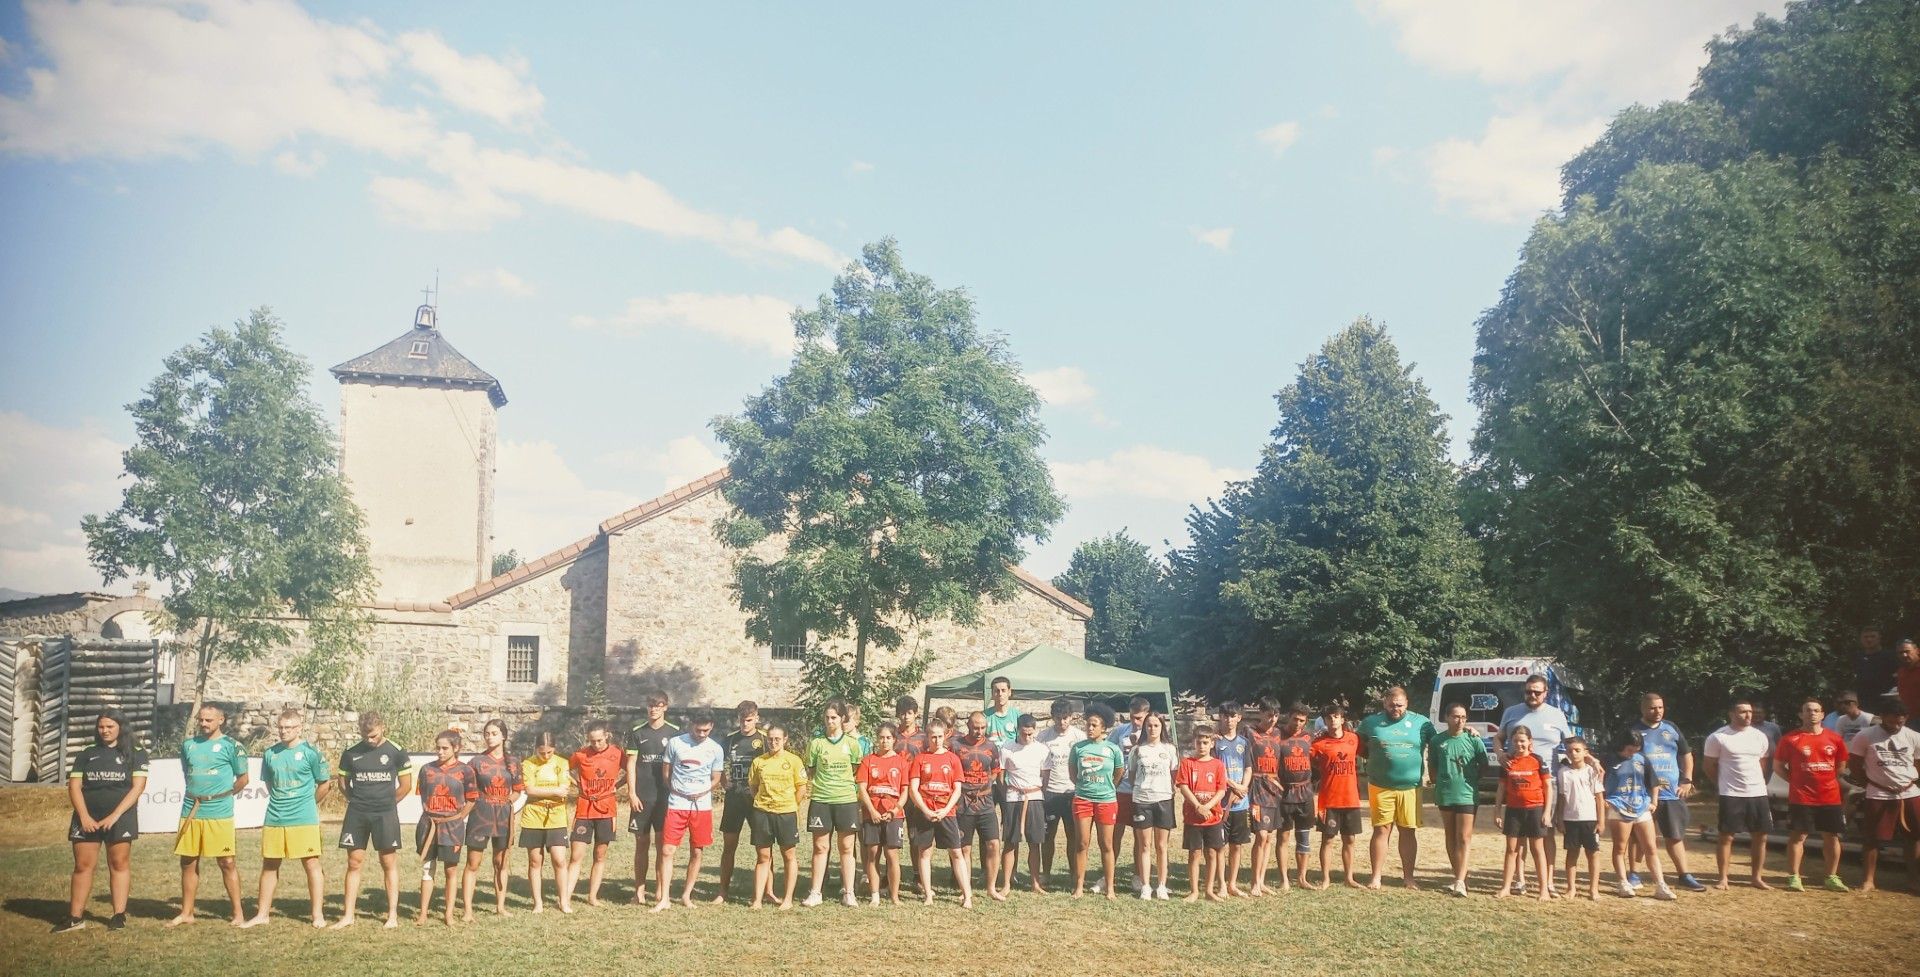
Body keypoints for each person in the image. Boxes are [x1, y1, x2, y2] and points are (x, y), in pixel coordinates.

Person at [59, 709, 148, 933]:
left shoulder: (136, 752)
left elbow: (138, 788)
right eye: (101, 727)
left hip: (120, 818)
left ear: (120, 727)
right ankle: (75, 917)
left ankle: (118, 915)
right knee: (82, 866)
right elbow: (74, 787)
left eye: (110, 726)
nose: (105, 730)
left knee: (118, 865)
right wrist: (85, 816)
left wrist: (115, 815)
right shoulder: (86, 753)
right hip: (87, 818)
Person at [243, 708, 329, 928]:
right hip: (275, 816)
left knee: (311, 863)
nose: (284, 732)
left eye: (289, 728)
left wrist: (307, 804)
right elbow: (270, 784)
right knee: (270, 864)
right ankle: (262, 914)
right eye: (281, 728)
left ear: (299, 728)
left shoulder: (311, 752)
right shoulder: (271, 754)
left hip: (304, 818)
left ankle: (317, 915)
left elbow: (324, 785)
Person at [169, 704, 249, 927]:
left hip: (219, 813)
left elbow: (243, 779)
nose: (204, 724)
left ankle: (238, 914)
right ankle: (187, 913)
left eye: (209, 720)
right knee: (188, 861)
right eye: (201, 720)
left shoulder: (232, 746)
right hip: (191, 810)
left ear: (221, 720)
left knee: (227, 862)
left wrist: (222, 796)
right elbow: (188, 773)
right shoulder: (188, 745)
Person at [333, 711, 412, 929]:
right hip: (357, 814)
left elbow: (406, 786)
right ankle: (348, 915)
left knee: (388, 862)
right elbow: (343, 783)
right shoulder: (350, 753)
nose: (370, 740)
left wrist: (387, 804)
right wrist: (356, 800)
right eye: (365, 736)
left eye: (374, 736)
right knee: (354, 862)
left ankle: (392, 916)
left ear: (383, 728)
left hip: (385, 814)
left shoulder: (396, 752)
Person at [1497, 673, 1572, 892]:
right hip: (1517, 780)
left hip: (1547, 782)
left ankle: (1547, 882)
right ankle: (1519, 879)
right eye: (1529, 691)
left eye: (1537, 692)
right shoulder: (1512, 712)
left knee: (1545, 833)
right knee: (1517, 838)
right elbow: (1499, 737)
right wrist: (1500, 753)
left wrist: (1591, 760)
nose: (1532, 695)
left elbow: (1570, 744)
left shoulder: (1557, 715)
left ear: (1546, 693)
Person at [1357, 686, 1434, 890]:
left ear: (1407, 703)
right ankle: (1375, 877)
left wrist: (1469, 731)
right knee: (1381, 830)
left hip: (1410, 787)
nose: (1395, 709)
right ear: (1384, 703)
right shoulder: (1370, 723)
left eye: (1399, 705)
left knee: (1408, 831)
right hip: (1380, 786)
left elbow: (1438, 743)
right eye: (1391, 705)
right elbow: (1358, 745)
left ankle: (1409, 878)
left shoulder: (1423, 723)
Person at [650, 711, 725, 912]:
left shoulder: (716, 749)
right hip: (677, 804)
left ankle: (686, 895)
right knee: (667, 850)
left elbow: (716, 778)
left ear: (712, 727)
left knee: (697, 851)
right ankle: (664, 898)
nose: (702, 734)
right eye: (698, 730)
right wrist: (675, 790)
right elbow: (666, 772)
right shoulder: (676, 743)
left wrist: (703, 791)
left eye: (706, 730)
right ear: (691, 725)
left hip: (701, 807)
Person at [1630, 692, 1705, 891]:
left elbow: (1686, 754)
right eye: (1653, 708)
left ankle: (1684, 875)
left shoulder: (1671, 728)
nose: (1657, 712)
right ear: (1643, 709)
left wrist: (1687, 780)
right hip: (1643, 794)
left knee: (1675, 836)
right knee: (1639, 837)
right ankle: (1633, 874)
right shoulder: (1633, 730)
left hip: (1671, 793)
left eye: (1661, 707)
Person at [1847, 699, 1920, 892]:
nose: (1898, 723)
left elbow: (1918, 764)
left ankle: (1913, 880)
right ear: (1883, 716)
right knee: (1872, 838)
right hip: (1878, 793)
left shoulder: (1913, 736)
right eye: (1894, 719)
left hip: (1909, 793)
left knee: (1913, 837)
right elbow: (1854, 764)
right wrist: (1868, 783)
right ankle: (1868, 881)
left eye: (1902, 720)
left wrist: (1908, 783)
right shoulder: (1865, 736)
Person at [1777, 697, 1849, 892]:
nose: (1812, 713)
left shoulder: (1835, 738)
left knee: (1832, 836)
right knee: (1798, 836)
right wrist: (1794, 780)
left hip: (1830, 796)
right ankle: (1794, 876)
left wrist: (1827, 780)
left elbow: (1841, 765)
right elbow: (1778, 766)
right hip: (1802, 797)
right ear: (1801, 714)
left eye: (1816, 710)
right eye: (1808, 710)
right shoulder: (1790, 739)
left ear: (1823, 714)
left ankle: (1831, 877)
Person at [1703, 698, 1773, 890]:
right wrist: (1721, 784)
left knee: (1761, 836)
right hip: (1731, 793)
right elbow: (1709, 765)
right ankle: (1723, 878)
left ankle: (1756, 877)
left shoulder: (1760, 736)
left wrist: (1760, 784)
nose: (1748, 715)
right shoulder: (1718, 737)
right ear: (1732, 714)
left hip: (1757, 792)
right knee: (1726, 836)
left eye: (1750, 711)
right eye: (1743, 711)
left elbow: (1763, 764)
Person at [801, 698, 865, 907]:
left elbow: (856, 770)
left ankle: (849, 892)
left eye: (834, 717)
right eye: (827, 717)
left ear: (843, 719)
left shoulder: (853, 745)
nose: (830, 721)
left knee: (847, 847)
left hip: (846, 800)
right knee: (820, 847)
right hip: (821, 800)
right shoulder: (816, 743)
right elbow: (811, 770)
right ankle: (815, 893)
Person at [415, 729, 477, 926]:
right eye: (438, 748)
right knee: (427, 868)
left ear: (456, 748)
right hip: (429, 825)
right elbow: (423, 794)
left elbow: (472, 799)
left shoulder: (466, 771)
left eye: (445, 748)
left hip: (452, 827)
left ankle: (448, 914)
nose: (440, 752)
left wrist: (458, 817)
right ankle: (423, 914)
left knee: (451, 870)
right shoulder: (426, 769)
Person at [461, 718, 521, 921]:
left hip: (503, 815)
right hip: (481, 814)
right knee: (473, 862)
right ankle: (468, 910)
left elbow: (518, 790)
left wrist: (507, 802)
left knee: (501, 862)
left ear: (504, 736)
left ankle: (500, 906)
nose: (489, 737)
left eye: (494, 733)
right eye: (487, 733)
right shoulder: (476, 762)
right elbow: (467, 789)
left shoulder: (513, 762)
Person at [1604, 729, 1674, 900]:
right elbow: (1598, 779)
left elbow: (1654, 782)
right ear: (1622, 745)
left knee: (1650, 848)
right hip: (1619, 806)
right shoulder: (1608, 759)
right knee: (1620, 848)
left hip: (1641, 806)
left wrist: (1654, 802)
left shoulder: (1642, 759)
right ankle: (1623, 882)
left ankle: (1660, 885)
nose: (1632, 753)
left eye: (1636, 749)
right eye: (1629, 749)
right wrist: (1604, 801)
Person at [1429, 702, 1488, 897]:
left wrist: (1471, 780)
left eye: (1463, 717)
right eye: (1455, 716)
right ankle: (1459, 877)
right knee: (1451, 836)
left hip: (1467, 794)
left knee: (1464, 837)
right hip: (1445, 794)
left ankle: (1460, 881)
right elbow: (1433, 767)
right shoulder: (1438, 741)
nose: (1460, 721)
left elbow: (1484, 764)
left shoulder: (1473, 739)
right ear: (1446, 717)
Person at [908, 717, 969, 906]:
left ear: (946, 736)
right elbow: (913, 789)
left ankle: (967, 895)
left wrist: (945, 810)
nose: (936, 740)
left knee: (956, 853)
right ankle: (928, 895)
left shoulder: (953, 759)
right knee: (925, 853)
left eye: (940, 736)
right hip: (925, 812)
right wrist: (925, 809)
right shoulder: (920, 759)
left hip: (947, 813)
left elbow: (957, 789)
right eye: (932, 737)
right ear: (927, 737)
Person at [749, 725, 809, 909]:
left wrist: (790, 804)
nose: (773, 742)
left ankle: (788, 899)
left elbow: (801, 788)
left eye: (777, 739)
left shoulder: (794, 761)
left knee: (788, 855)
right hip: (762, 813)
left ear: (785, 740)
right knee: (763, 856)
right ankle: (758, 899)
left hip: (786, 813)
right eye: (770, 739)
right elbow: (753, 787)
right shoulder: (759, 761)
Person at [625, 690, 677, 904]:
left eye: (659, 704)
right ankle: (639, 891)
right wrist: (631, 793)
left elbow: (678, 764)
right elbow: (630, 765)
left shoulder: (675, 732)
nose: (654, 708)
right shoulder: (637, 731)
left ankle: (660, 890)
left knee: (662, 844)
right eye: (650, 704)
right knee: (641, 843)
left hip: (665, 798)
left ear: (665, 707)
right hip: (642, 797)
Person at [1069, 703, 1125, 899]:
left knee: (1106, 844)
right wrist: (1085, 786)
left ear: (1104, 728)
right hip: (1083, 799)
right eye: (1088, 724)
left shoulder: (1113, 749)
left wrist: (1108, 786)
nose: (1090, 728)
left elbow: (1119, 772)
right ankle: (1079, 886)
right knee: (1082, 843)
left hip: (1106, 801)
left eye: (1094, 725)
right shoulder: (1078, 748)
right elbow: (1073, 774)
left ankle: (1110, 887)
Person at [714, 700, 767, 904]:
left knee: (763, 847)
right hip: (734, 799)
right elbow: (718, 764)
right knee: (729, 846)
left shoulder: (763, 740)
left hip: (757, 800)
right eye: (742, 720)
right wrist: (724, 783)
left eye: (749, 720)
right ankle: (722, 891)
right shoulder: (729, 739)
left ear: (756, 718)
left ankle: (766, 891)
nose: (745, 724)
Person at [567, 720, 625, 907]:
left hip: (607, 809)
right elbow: (563, 769)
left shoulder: (617, 753)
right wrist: (577, 784)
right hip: (584, 808)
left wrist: (618, 785)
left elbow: (632, 768)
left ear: (607, 735)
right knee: (576, 855)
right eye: (592, 741)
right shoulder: (581, 754)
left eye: (599, 740)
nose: (596, 744)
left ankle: (592, 896)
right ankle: (565, 897)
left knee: (600, 854)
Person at [1494, 726, 1554, 901]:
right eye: (1515, 741)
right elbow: (1501, 788)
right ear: (1511, 743)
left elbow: (1548, 786)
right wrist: (1497, 811)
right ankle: (1506, 888)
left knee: (1537, 849)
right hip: (1514, 811)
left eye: (1522, 741)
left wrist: (1547, 811)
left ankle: (1544, 890)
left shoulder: (1537, 760)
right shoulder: (1507, 761)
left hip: (1535, 809)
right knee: (1511, 849)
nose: (1519, 744)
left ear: (1529, 742)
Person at [1309, 703, 1365, 890]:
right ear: (1324, 721)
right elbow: (1307, 761)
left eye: (1336, 716)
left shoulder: (1354, 739)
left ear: (1342, 719)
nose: (1333, 720)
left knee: (1350, 839)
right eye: (1328, 718)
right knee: (1328, 839)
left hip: (1350, 798)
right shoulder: (1318, 744)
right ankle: (1326, 878)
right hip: (1329, 799)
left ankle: (1349, 877)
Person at [1125, 712, 1178, 900]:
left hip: (1163, 800)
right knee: (1144, 845)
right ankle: (1146, 886)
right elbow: (1132, 777)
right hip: (1142, 801)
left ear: (1162, 727)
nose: (1152, 729)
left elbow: (1174, 775)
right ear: (1144, 727)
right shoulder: (1137, 750)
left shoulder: (1170, 749)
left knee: (1161, 846)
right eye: (1149, 725)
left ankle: (1162, 886)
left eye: (1156, 725)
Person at [518, 731, 572, 913]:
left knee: (559, 859)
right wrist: (554, 792)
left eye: (549, 752)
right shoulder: (528, 764)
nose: (546, 756)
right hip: (533, 817)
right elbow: (530, 790)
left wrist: (550, 791)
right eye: (542, 752)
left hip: (556, 817)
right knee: (535, 861)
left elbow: (564, 790)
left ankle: (564, 901)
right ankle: (538, 903)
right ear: (536, 749)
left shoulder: (562, 763)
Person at [996, 713, 1049, 898]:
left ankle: (1035, 882)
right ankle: (1006, 883)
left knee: (1035, 842)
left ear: (1035, 731)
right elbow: (1000, 777)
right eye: (1024, 733)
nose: (1027, 737)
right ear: (1017, 730)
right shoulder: (1006, 748)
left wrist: (1036, 792)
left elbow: (1045, 776)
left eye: (1031, 734)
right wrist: (1008, 795)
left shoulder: (1042, 750)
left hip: (1034, 797)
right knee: (1010, 843)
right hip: (1013, 798)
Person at [953, 711, 1004, 898]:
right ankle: (965, 890)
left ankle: (991, 888)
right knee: (965, 847)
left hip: (986, 802)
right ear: (968, 725)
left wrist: (986, 784)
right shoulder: (956, 745)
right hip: (963, 802)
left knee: (993, 844)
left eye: (983, 727)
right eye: (976, 727)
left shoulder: (991, 746)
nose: (979, 731)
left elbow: (995, 770)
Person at [856, 722, 907, 905]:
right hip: (872, 813)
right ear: (877, 739)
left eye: (888, 738)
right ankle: (875, 895)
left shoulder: (901, 762)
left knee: (892, 854)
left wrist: (894, 810)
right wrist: (871, 810)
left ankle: (894, 895)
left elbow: (905, 791)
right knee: (873, 853)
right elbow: (862, 788)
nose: (884, 741)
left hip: (893, 814)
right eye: (881, 737)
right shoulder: (868, 761)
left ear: (894, 740)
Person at [1268, 702, 1317, 892]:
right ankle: (1284, 879)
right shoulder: (1277, 734)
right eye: (1295, 719)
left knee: (1304, 837)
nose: (1298, 723)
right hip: (1284, 794)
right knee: (1284, 837)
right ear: (1288, 717)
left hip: (1305, 793)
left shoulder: (1309, 736)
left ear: (1306, 722)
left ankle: (1302, 878)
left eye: (1302, 720)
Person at [1176, 723, 1227, 902]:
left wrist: (1208, 807)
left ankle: (1209, 890)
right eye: (1199, 742)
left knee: (1212, 853)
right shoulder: (1187, 763)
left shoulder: (1218, 765)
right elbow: (1183, 786)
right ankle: (1194, 891)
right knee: (1194, 853)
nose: (1202, 746)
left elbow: (1221, 789)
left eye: (1206, 742)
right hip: (1193, 818)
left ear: (1212, 743)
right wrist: (1198, 806)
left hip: (1213, 818)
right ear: (1194, 742)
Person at [1036, 698, 1084, 882]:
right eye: (1058, 718)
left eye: (1065, 718)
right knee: (1048, 836)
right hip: (1050, 792)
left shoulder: (1079, 737)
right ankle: (1046, 874)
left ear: (1071, 717)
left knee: (1073, 835)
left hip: (1072, 792)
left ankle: (1074, 874)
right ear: (1052, 717)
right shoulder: (1043, 737)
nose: (1062, 722)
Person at [1107, 694, 1152, 882]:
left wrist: (1138, 744)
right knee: (1114, 833)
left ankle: (1137, 875)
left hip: (1141, 792)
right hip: (1120, 790)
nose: (1135, 721)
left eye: (1139, 718)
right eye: (1132, 717)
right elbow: (1107, 752)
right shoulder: (1120, 732)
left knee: (1139, 836)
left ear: (1147, 715)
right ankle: (1110, 873)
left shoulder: (1151, 733)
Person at [1555, 737, 1605, 900]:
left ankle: (1594, 889)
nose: (1573, 753)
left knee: (1593, 854)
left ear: (1585, 752)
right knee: (1572, 854)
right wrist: (1560, 819)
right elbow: (1561, 798)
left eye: (1577, 750)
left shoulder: (1592, 771)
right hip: (1570, 820)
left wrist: (1601, 821)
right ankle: (1571, 888)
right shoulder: (1563, 772)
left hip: (1590, 819)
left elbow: (1599, 798)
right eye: (1570, 751)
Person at [1211, 700, 1252, 896]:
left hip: (1240, 803)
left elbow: (1248, 768)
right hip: (1221, 803)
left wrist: (1243, 787)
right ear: (1220, 717)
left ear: (1239, 718)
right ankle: (1220, 885)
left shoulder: (1244, 743)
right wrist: (1234, 786)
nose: (1229, 720)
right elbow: (1213, 770)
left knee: (1237, 845)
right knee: (1220, 846)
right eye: (1225, 715)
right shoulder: (1215, 743)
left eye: (1233, 716)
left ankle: (1232, 884)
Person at [1243, 697, 1282, 896]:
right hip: (1256, 787)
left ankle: (1262, 880)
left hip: (1273, 790)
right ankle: (1253, 883)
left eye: (1275, 715)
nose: (1272, 719)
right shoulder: (1249, 732)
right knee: (1261, 834)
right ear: (1260, 714)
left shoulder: (1277, 734)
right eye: (1269, 715)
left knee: (1269, 837)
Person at [1852, 625, 1899, 704]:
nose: (1869, 639)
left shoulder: (1890, 656)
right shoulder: (1858, 658)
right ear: (1861, 639)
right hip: (1864, 702)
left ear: (1879, 638)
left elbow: (1898, 680)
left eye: (1873, 636)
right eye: (1865, 637)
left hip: (1886, 701)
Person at [985, 675, 1023, 744]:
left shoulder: (1018, 716)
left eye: (1003, 690)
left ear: (1009, 692)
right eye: (997, 691)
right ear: (992, 693)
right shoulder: (984, 716)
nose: (1000, 694)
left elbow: (1022, 741)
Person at [1898, 638, 1920, 717]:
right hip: (1907, 717)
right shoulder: (1901, 671)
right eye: (1901, 653)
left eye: (1907, 651)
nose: (1904, 655)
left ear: (1917, 651)